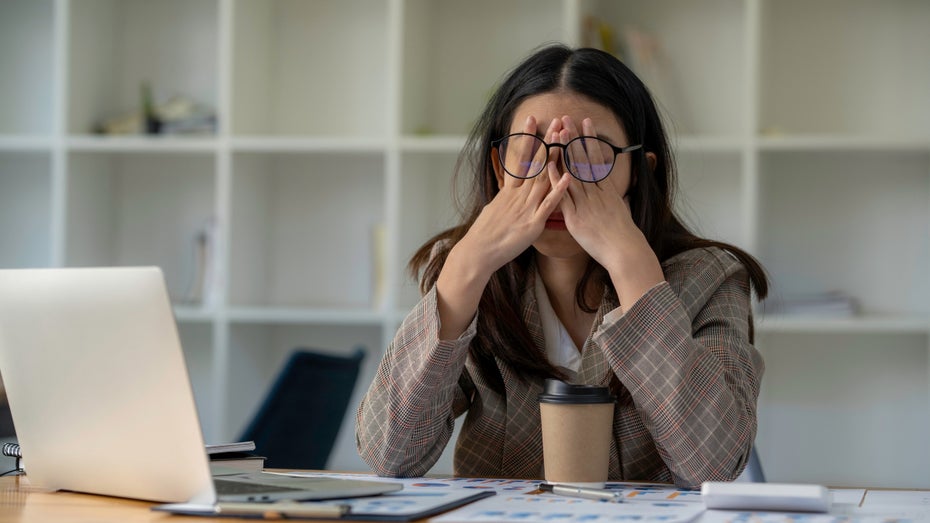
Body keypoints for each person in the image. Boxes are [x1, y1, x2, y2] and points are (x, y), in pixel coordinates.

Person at [356, 44, 768, 488]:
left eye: (589, 154)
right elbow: (389, 455)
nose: (556, 180)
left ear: (640, 172)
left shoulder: (711, 277)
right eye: (530, 151)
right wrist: (466, 267)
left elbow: (714, 465)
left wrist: (634, 269)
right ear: (499, 168)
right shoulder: (469, 275)